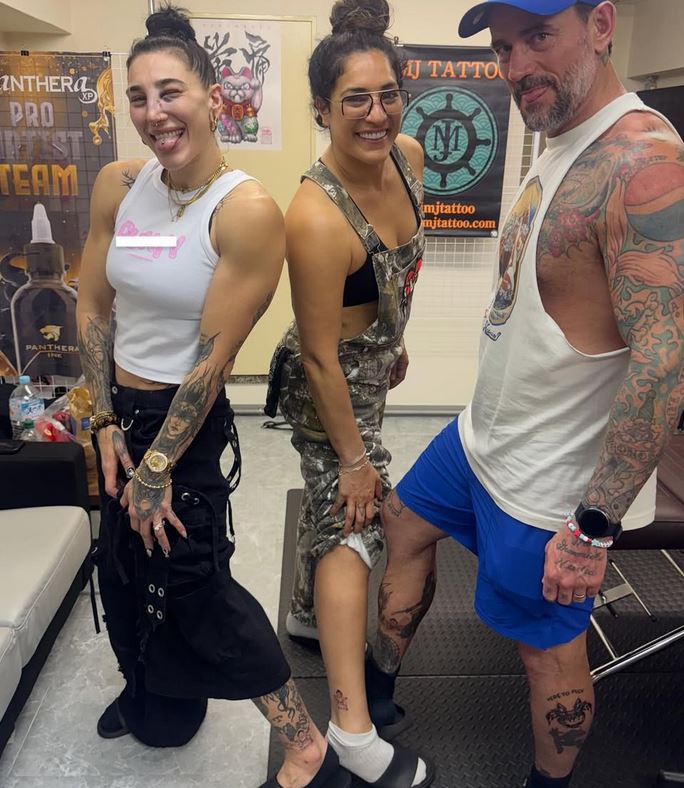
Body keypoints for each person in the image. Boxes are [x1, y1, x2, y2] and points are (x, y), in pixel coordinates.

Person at [362, 1, 684, 787]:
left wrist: (593, 528)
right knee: (402, 522)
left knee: (545, 652)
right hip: (484, 438)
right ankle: (373, 701)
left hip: (548, 483)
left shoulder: (642, 161)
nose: (517, 66)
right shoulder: (562, 138)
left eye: (540, 36)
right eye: (505, 47)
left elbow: (666, 361)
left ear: (601, 25)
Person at [76, 6, 351, 787]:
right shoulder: (119, 185)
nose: (154, 113)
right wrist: (103, 421)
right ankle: (151, 692)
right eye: (138, 96)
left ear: (213, 96)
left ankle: (307, 748)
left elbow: (212, 361)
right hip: (118, 416)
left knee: (197, 587)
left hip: (181, 428)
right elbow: (93, 305)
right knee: (121, 568)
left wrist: (156, 465)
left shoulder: (246, 211)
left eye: (171, 92)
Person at [266, 1, 433, 785]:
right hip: (325, 381)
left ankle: (307, 617)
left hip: (370, 362)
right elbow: (321, 357)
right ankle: (352, 732)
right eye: (355, 99)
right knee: (351, 519)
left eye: (387, 94)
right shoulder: (313, 215)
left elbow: (400, 269)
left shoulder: (410, 157)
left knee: (342, 503)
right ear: (322, 109)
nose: (376, 114)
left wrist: (394, 340)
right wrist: (356, 459)